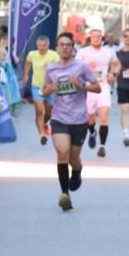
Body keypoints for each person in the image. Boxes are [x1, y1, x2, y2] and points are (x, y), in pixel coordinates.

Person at [39, 33, 101, 211]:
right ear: (57, 48)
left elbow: (97, 87)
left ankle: (77, 170)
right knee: (62, 152)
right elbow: (43, 91)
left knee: (73, 159)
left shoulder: (81, 67)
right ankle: (65, 194)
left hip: (79, 120)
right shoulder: (51, 69)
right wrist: (48, 90)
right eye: (61, 45)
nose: (65, 48)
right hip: (59, 118)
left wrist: (81, 85)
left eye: (68, 45)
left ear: (73, 47)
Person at [75, 29, 119, 157]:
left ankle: (102, 146)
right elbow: (75, 68)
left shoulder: (109, 52)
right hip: (88, 88)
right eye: (94, 36)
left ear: (102, 38)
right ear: (90, 38)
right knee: (90, 119)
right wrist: (87, 66)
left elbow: (117, 64)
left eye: (99, 36)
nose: (96, 38)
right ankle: (92, 132)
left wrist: (113, 73)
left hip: (103, 87)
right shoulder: (83, 52)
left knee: (104, 118)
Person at [22, 35, 59, 145]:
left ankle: (44, 123)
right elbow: (28, 62)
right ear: (37, 45)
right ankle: (42, 135)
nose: (42, 47)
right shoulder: (32, 54)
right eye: (40, 45)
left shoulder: (53, 55)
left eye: (44, 45)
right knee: (39, 110)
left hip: (49, 88)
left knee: (49, 112)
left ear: (48, 45)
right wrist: (26, 75)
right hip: (37, 86)